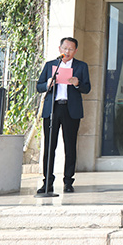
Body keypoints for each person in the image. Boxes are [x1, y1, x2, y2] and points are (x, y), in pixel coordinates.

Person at [36, 37, 91, 194]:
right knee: (49, 147)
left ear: (75, 51)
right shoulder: (50, 65)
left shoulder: (81, 66)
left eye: (70, 49)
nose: (67, 52)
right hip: (52, 109)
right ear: (59, 49)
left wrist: (77, 83)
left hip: (70, 109)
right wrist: (47, 84)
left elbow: (87, 88)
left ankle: (68, 182)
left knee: (70, 146)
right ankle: (47, 182)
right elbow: (39, 86)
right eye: (65, 48)